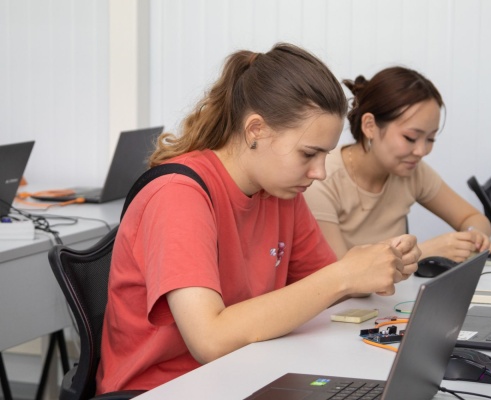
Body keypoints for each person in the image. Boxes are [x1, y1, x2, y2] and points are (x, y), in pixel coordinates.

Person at [96, 43, 421, 393]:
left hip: (243, 373)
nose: (320, 172)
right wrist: (343, 277)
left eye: (324, 155)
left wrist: (372, 268)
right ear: (256, 130)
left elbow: (324, 290)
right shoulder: (178, 194)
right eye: (308, 154)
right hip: (165, 389)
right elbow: (210, 339)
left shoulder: (280, 191)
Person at [304, 66, 491, 263]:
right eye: (410, 138)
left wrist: (473, 235)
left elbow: (473, 218)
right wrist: (426, 251)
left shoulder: (412, 171)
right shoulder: (321, 178)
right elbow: (339, 271)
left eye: (430, 139)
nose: (421, 151)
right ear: (369, 125)